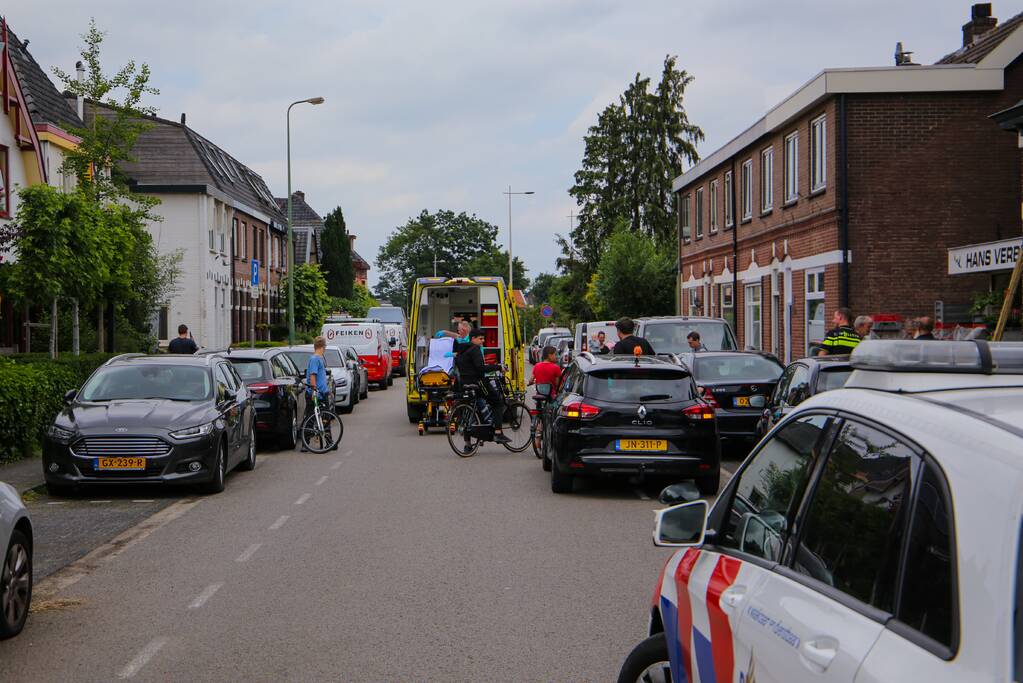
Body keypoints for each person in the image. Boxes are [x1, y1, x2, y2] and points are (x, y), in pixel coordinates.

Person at [455, 328, 510, 444]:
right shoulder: (475, 349)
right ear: (473, 338)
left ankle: (468, 445)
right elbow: (480, 368)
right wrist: (498, 367)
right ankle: (498, 433)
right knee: (497, 402)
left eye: (483, 339)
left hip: (464, 384)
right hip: (478, 382)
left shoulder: (461, 350)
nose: (482, 341)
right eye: (480, 339)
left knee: (471, 410)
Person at [303, 336, 336, 452]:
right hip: (317, 393)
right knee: (311, 417)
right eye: (325, 346)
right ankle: (305, 443)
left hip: (322, 392)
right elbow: (313, 375)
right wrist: (314, 391)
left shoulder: (319, 359)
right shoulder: (315, 359)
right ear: (322, 347)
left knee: (324, 417)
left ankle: (329, 442)